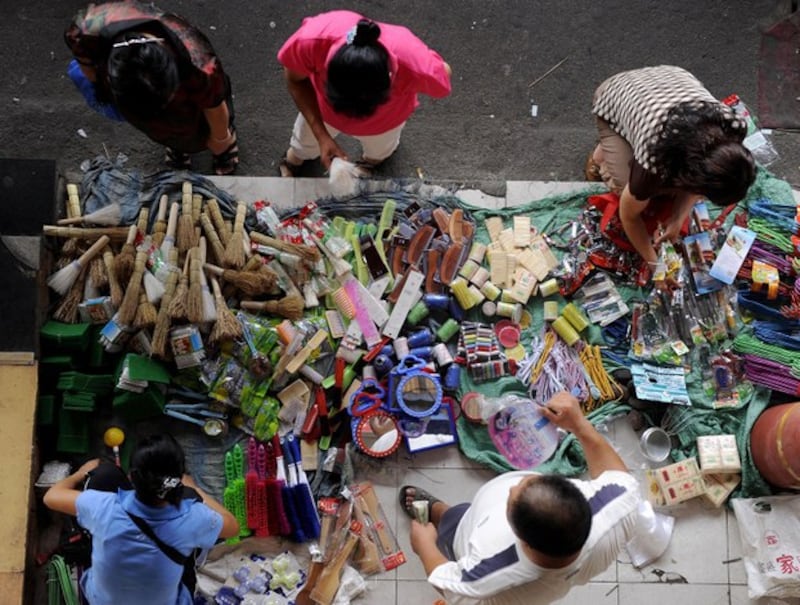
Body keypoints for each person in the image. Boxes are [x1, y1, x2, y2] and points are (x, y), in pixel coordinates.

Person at [402, 391, 641, 604]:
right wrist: (578, 424)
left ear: (522, 538)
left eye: (512, 498)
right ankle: (445, 513)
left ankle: (442, 515)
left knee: (454, 521)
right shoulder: (619, 506)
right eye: (530, 481)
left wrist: (424, 545)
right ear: (579, 495)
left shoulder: (489, 571)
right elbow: (617, 475)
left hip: (468, 535)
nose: (512, 487)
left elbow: (448, 584)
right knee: (461, 513)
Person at [589, 65, 756, 276]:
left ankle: (622, 142)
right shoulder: (658, 153)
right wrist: (655, 265)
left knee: (667, 189)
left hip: (669, 81)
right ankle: (602, 154)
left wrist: (678, 219)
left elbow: (700, 179)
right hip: (613, 94)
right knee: (631, 189)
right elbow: (628, 215)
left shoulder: (734, 127)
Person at [43, 433, 239, 605]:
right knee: (190, 504)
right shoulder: (192, 516)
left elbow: (51, 497)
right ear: (177, 479)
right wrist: (195, 488)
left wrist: (81, 472)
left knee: (102, 476)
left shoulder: (104, 507)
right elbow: (232, 527)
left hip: (101, 601)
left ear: (132, 476)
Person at [65, 1, 239, 174]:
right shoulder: (85, 29)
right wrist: (97, 84)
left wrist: (220, 139)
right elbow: (83, 57)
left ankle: (221, 148)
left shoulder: (199, 62)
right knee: (167, 133)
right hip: (147, 111)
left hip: (185, 108)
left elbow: (214, 105)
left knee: (195, 127)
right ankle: (178, 146)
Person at [277, 10, 452, 176]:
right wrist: (321, 135)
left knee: (379, 150)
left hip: (384, 124)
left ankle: (371, 161)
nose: (352, 119)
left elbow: (443, 73)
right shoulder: (311, 41)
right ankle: (297, 157)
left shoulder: (414, 64)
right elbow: (295, 79)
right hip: (324, 114)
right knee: (305, 143)